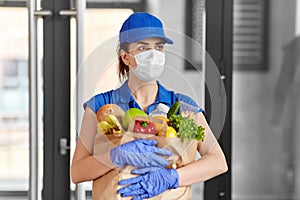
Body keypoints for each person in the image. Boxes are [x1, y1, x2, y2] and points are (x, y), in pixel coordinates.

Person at [71, 12, 228, 199]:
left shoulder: (182, 106)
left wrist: (171, 177)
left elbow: (218, 162)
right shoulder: (101, 106)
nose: (153, 55)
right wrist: (115, 157)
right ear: (125, 57)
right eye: (143, 48)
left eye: (159, 47)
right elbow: (77, 173)